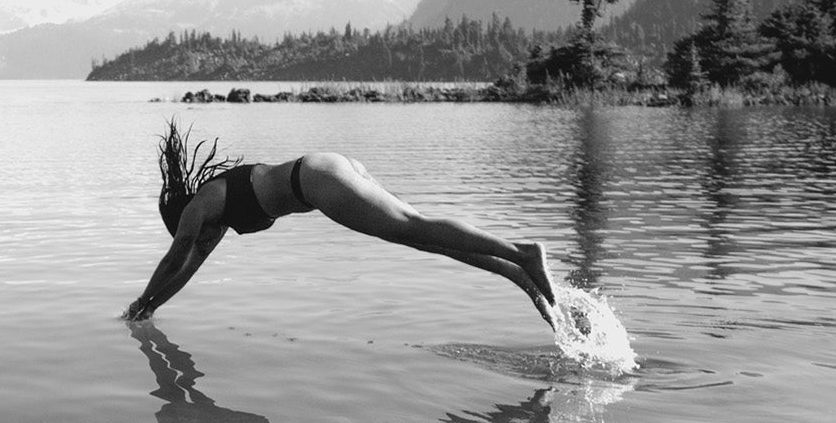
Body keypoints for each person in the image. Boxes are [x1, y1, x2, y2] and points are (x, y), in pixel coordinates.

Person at [124, 119, 559, 327]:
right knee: (419, 237)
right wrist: (151, 308)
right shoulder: (213, 221)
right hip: (326, 171)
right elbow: (187, 268)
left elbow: (175, 257)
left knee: (412, 225)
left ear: (181, 212)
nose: (191, 234)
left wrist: (138, 301)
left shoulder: (202, 205)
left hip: (316, 180)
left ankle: (523, 253)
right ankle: (517, 274)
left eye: (184, 227)